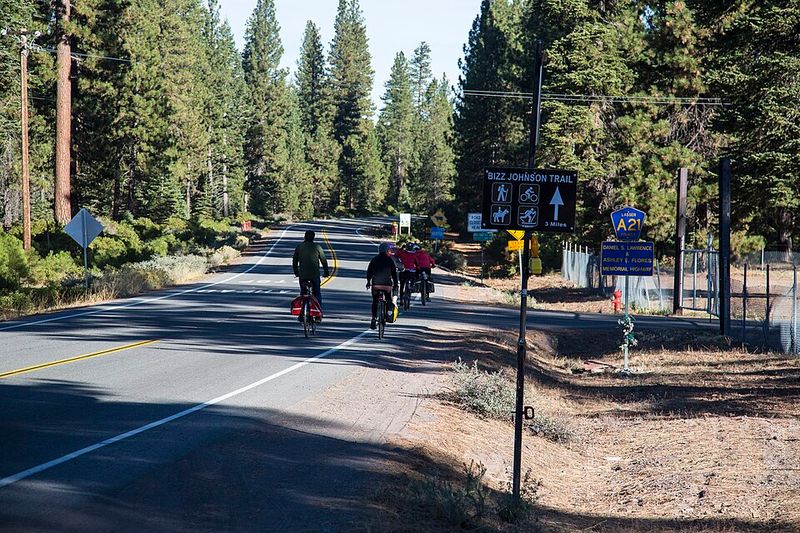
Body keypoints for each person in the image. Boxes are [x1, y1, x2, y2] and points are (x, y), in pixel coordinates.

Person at [292, 230, 329, 308]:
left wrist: (296, 272)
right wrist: (326, 272)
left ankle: (302, 311)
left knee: (302, 292)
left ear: (304, 237)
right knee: (317, 293)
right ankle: (319, 311)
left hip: (303, 275)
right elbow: (324, 260)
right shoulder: (317, 247)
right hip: (314, 274)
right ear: (313, 238)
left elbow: (294, 261)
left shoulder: (299, 247)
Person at [366, 242, 399, 329]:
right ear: (386, 250)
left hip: (376, 285)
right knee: (388, 300)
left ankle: (373, 319)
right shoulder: (389, 260)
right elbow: (394, 274)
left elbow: (369, 272)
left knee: (375, 301)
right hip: (387, 285)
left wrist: (368, 282)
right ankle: (387, 315)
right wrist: (396, 284)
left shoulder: (374, 259)